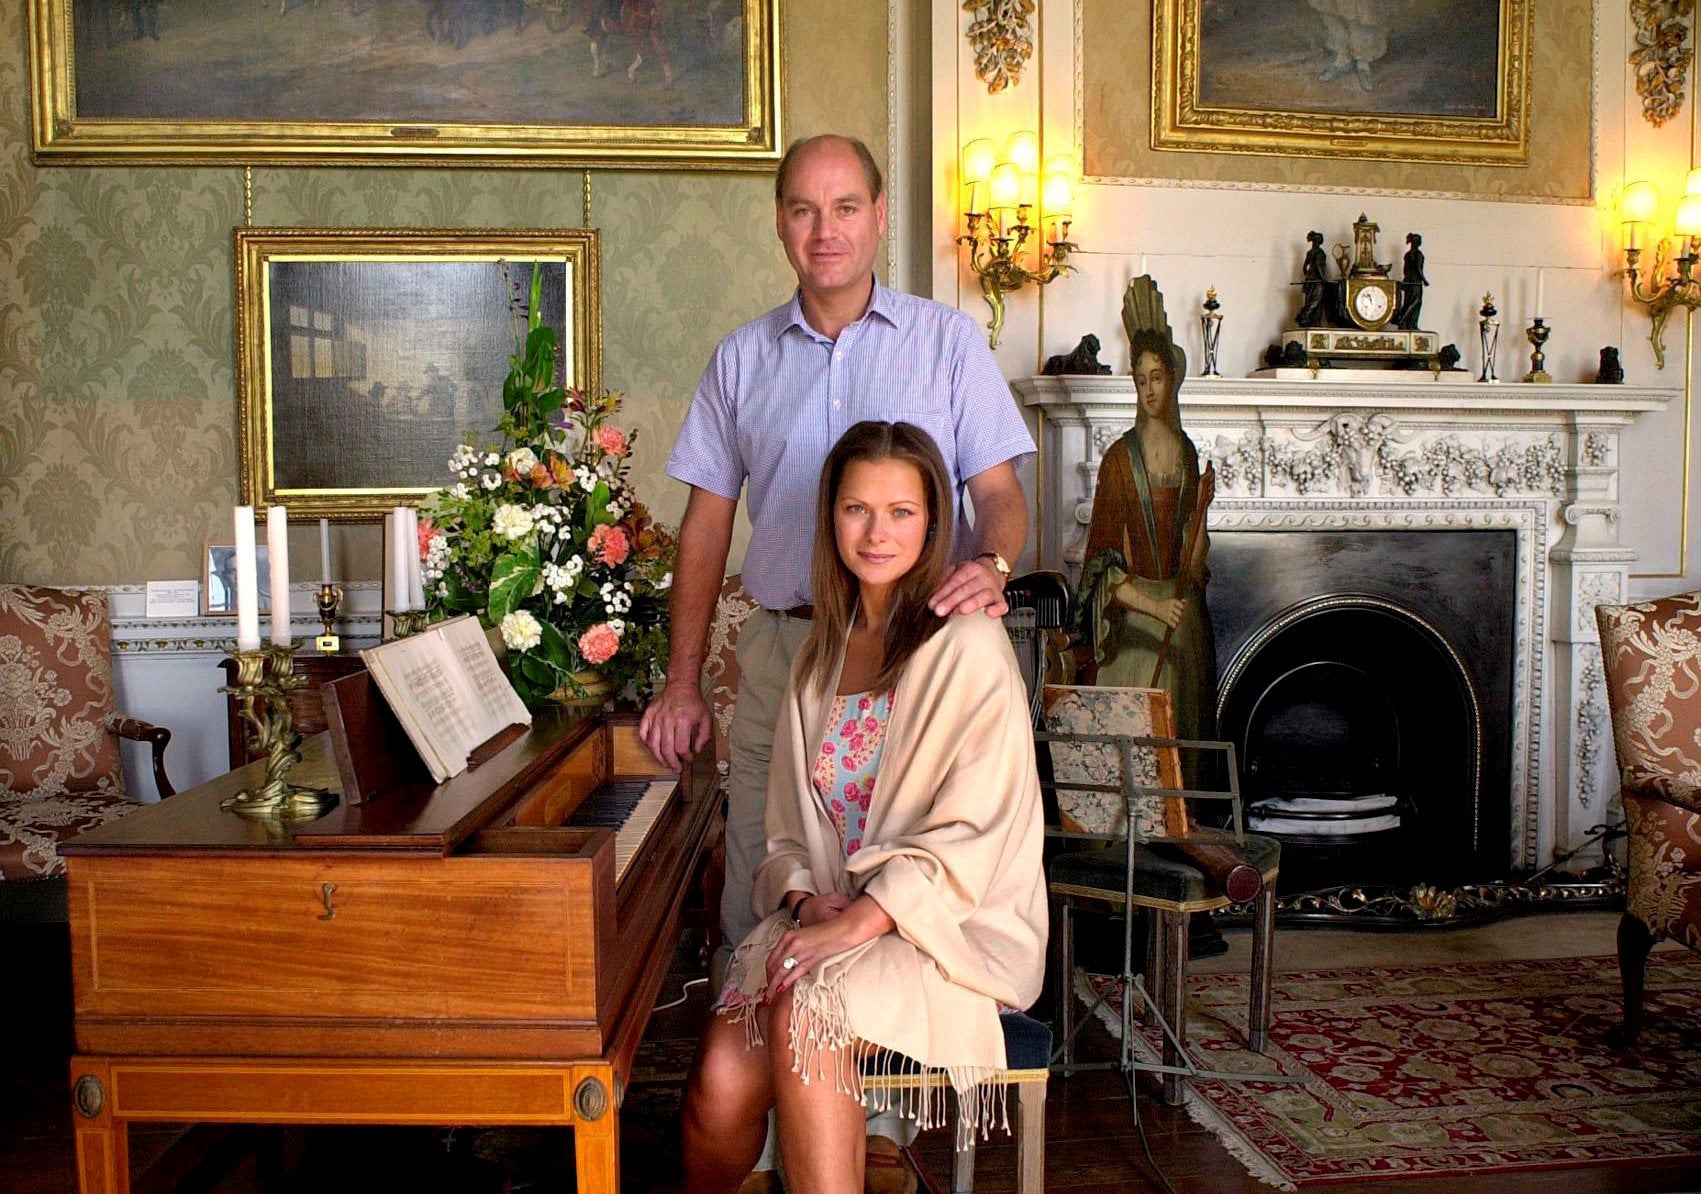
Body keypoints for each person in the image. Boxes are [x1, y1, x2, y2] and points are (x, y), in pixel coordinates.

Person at [639, 133, 1033, 1193]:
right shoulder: (741, 359)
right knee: (762, 907)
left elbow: (997, 497)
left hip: (916, 652)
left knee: (875, 904)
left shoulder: (947, 343)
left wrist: (990, 566)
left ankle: (866, 1142)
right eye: (805, 210)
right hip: (790, 651)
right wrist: (683, 681)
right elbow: (705, 529)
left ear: (878, 215)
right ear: (780, 221)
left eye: (846, 207)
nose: (826, 231)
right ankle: (780, 1150)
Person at [679, 421, 1048, 1194]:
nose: (877, 533)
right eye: (856, 510)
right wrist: (804, 899)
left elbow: (977, 830)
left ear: (933, 521)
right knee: (717, 1084)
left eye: (901, 512)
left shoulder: (968, 644)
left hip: (941, 928)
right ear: (830, 518)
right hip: (833, 914)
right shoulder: (823, 646)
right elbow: (785, 819)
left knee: (805, 1015)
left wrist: (863, 918)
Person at [1077, 281, 1217, 778]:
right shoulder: (1119, 459)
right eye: (1141, 379)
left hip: (1183, 623)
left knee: (1184, 752)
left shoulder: (1187, 453)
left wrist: (1201, 511)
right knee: (1136, 756)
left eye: (1157, 377)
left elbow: (1193, 564)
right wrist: (1156, 606)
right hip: (1136, 620)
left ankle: (1183, 840)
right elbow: (1101, 567)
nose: (1150, 389)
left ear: (1172, 380)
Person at [1395, 232, 1426, 330]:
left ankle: (1406, 323)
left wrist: (1407, 278)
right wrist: (1424, 280)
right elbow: (1418, 268)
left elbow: (1405, 270)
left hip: (1408, 281)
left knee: (1408, 302)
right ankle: (1404, 321)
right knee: (1416, 302)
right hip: (1415, 282)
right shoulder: (1418, 254)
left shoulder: (1407, 254)